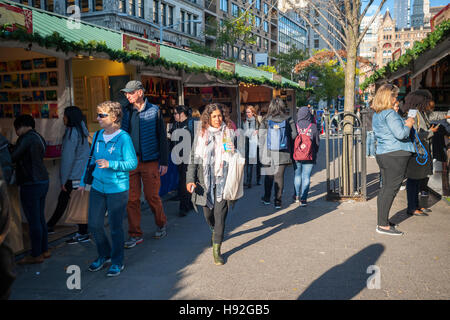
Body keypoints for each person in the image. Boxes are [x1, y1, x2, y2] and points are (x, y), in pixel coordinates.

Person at [80, 101, 137, 277]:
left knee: (115, 227)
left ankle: (117, 261)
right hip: (98, 186)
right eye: (98, 115)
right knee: (95, 225)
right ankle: (104, 255)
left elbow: (132, 163)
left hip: (117, 189)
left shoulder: (124, 138)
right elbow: (90, 161)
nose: (98, 118)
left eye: (101, 115)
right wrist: (83, 181)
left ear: (113, 117)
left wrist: (110, 163)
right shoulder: (97, 136)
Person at [186, 103, 237, 266]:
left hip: (223, 180)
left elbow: (234, 156)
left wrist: (232, 150)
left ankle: (217, 250)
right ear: (208, 117)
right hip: (205, 182)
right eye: (214, 116)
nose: (217, 119)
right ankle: (214, 231)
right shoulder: (201, 135)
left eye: (220, 116)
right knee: (208, 215)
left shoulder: (228, 133)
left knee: (220, 216)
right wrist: (189, 179)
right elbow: (193, 158)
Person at [120, 80, 169, 248]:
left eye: (130, 92)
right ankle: (135, 234)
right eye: (126, 93)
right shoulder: (125, 111)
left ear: (140, 92)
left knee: (151, 196)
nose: (127, 95)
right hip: (131, 161)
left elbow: (162, 137)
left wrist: (164, 161)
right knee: (131, 199)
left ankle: (161, 224)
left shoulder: (154, 110)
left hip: (150, 161)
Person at [372, 84, 415, 236]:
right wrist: (409, 124)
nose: (396, 99)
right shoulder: (389, 113)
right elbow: (401, 134)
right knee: (390, 189)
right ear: (388, 97)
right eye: (395, 96)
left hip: (385, 153)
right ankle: (383, 225)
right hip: (395, 154)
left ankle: (382, 221)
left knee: (385, 189)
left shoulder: (378, 113)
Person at [46, 106, 91, 243]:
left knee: (69, 201)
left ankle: (81, 232)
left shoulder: (72, 133)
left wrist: (63, 180)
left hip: (73, 175)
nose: (63, 119)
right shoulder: (83, 130)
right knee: (75, 202)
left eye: (65, 116)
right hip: (82, 173)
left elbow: (67, 159)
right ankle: (52, 225)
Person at [11, 115, 50, 264]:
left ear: (21, 126)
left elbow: (13, 156)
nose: (16, 132)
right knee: (40, 218)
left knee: (33, 220)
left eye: (16, 128)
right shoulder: (38, 136)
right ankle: (44, 250)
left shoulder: (26, 138)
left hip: (31, 182)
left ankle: (36, 254)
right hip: (42, 180)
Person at [401, 90, 439, 216]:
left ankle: (416, 205)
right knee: (413, 181)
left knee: (418, 180)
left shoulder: (420, 112)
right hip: (415, 152)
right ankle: (412, 207)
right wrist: (431, 132)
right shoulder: (413, 113)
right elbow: (414, 135)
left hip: (421, 151)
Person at [259, 98, 297, 209]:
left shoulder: (266, 120)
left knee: (269, 176)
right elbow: (294, 135)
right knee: (279, 177)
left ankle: (266, 198)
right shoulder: (288, 119)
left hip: (268, 152)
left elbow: (260, 136)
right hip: (283, 152)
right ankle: (277, 201)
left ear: (270, 107)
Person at [169, 105, 195, 217]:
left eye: (175, 113)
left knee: (184, 181)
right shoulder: (177, 125)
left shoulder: (189, 125)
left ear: (182, 114)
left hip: (188, 157)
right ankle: (188, 204)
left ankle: (184, 207)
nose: (174, 116)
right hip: (179, 158)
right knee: (183, 180)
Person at [293, 106, 320, 206]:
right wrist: (315, 153)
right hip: (309, 155)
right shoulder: (312, 126)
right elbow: (317, 142)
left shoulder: (296, 126)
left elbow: (292, 140)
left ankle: (296, 196)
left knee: (297, 175)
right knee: (306, 177)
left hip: (297, 155)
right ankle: (303, 199)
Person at [241, 105, 262, 188]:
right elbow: (244, 132)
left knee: (258, 163)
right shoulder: (245, 121)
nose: (247, 114)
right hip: (248, 144)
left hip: (257, 144)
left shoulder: (258, 120)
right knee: (249, 163)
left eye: (249, 112)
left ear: (253, 112)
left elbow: (264, 130)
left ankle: (258, 179)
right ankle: (248, 181)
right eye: (246, 112)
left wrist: (258, 131)